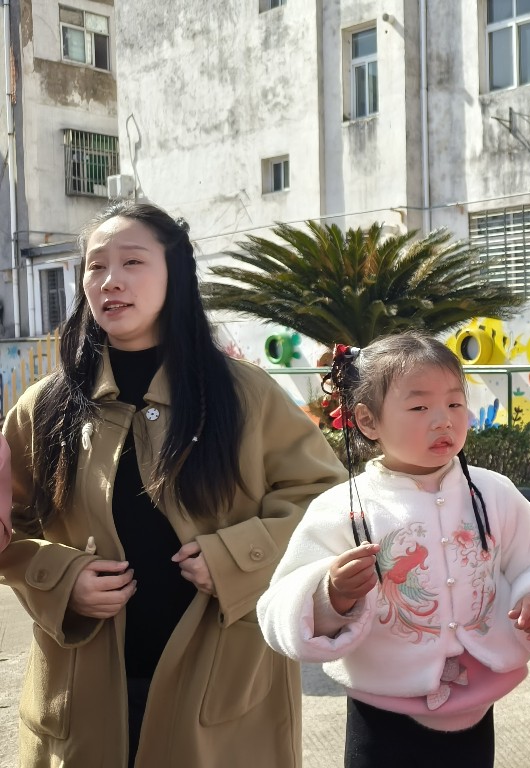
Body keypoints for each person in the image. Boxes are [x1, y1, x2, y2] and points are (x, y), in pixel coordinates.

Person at [0, 201, 347, 766]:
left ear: (175, 275)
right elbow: (8, 529)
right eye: (95, 265)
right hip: (80, 689)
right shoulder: (46, 407)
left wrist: (238, 558)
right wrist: (58, 578)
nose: (110, 280)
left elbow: (325, 500)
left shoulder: (244, 395)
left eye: (133, 262)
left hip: (224, 685)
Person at [257, 333, 530, 768]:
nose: (443, 421)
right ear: (367, 420)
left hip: (478, 702)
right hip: (382, 714)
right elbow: (279, 603)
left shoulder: (493, 493)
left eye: (454, 403)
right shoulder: (342, 508)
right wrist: (329, 594)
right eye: (419, 408)